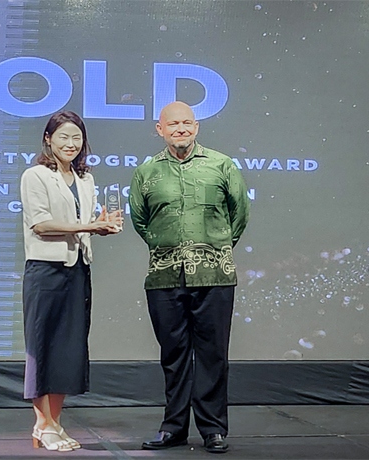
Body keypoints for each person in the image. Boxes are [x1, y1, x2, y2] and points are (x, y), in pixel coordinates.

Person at [129, 101, 250, 454]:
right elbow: (140, 220)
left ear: (196, 127)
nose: (180, 129)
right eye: (173, 124)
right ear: (160, 129)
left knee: (213, 354)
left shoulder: (222, 165)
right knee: (174, 354)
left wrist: (215, 246)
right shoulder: (146, 172)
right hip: (164, 276)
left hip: (215, 275)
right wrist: (166, 247)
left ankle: (213, 429)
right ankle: (173, 428)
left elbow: (239, 215)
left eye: (186, 123)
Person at [20, 111, 122, 452]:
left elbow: (83, 223)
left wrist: (101, 224)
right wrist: (90, 226)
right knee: (43, 347)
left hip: (78, 268)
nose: (70, 144)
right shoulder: (35, 175)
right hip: (46, 271)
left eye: (76, 137)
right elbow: (41, 224)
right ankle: (42, 424)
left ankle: (55, 423)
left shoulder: (85, 179)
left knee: (68, 348)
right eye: (63, 137)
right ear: (48, 139)